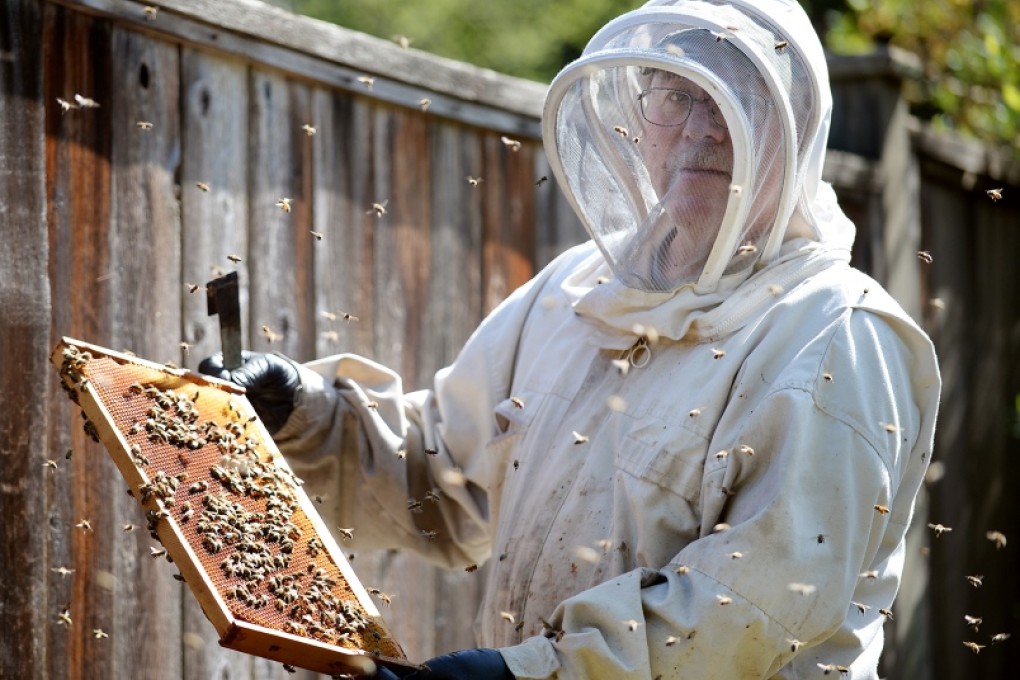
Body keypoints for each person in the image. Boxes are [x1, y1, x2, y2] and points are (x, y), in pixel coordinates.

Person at [201, 0, 940, 678]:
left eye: (738, 103)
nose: (701, 129)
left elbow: (748, 613)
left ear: (796, 128)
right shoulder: (576, 289)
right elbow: (441, 476)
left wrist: (522, 674)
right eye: (678, 95)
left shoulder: (838, 336)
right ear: (635, 113)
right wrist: (303, 413)